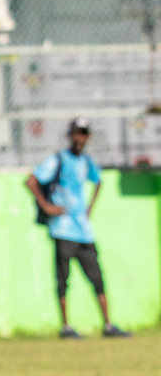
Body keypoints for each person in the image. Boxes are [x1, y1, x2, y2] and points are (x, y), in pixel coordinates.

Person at [27, 118, 131, 339]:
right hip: (63, 230)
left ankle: (108, 325)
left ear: (87, 137)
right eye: (76, 133)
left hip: (83, 231)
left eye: (83, 133)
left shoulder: (86, 162)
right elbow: (31, 180)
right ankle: (66, 327)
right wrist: (47, 206)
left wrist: (90, 208)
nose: (80, 138)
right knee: (63, 279)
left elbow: (98, 181)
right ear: (70, 135)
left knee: (97, 277)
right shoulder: (59, 160)